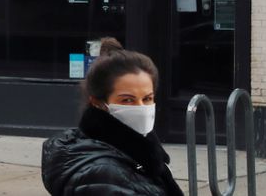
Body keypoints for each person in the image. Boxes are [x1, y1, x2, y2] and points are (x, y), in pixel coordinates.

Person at [42, 37, 184, 195]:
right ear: (98, 102)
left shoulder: (139, 150)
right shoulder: (102, 174)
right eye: (127, 100)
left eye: (147, 98)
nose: (141, 107)